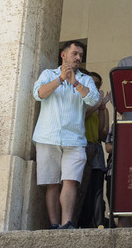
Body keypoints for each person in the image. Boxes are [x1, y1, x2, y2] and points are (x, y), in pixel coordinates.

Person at [33, 40, 99, 229]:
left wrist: (75, 82)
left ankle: (67, 223)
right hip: (47, 137)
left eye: (80, 55)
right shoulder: (48, 74)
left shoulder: (84, 79)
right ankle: (54, 224)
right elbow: (38, 94)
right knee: (52, 183)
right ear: (63, 55)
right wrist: (60, 79)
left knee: (71, 180)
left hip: (75, 139)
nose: (78, 58)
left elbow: (93, 99)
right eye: (75, 54)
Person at [76, 71, 109, 228]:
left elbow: (103, 134)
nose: (95, 86)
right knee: (81, 187)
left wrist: (102, 108)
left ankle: (96, 223)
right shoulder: (81, 99)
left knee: (96, 187)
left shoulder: (99, 106)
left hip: (95, 148)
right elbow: (80, 117)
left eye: (98, 84)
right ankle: (77, 221)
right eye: (93, 83)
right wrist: (96, 104)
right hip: (80, 146)